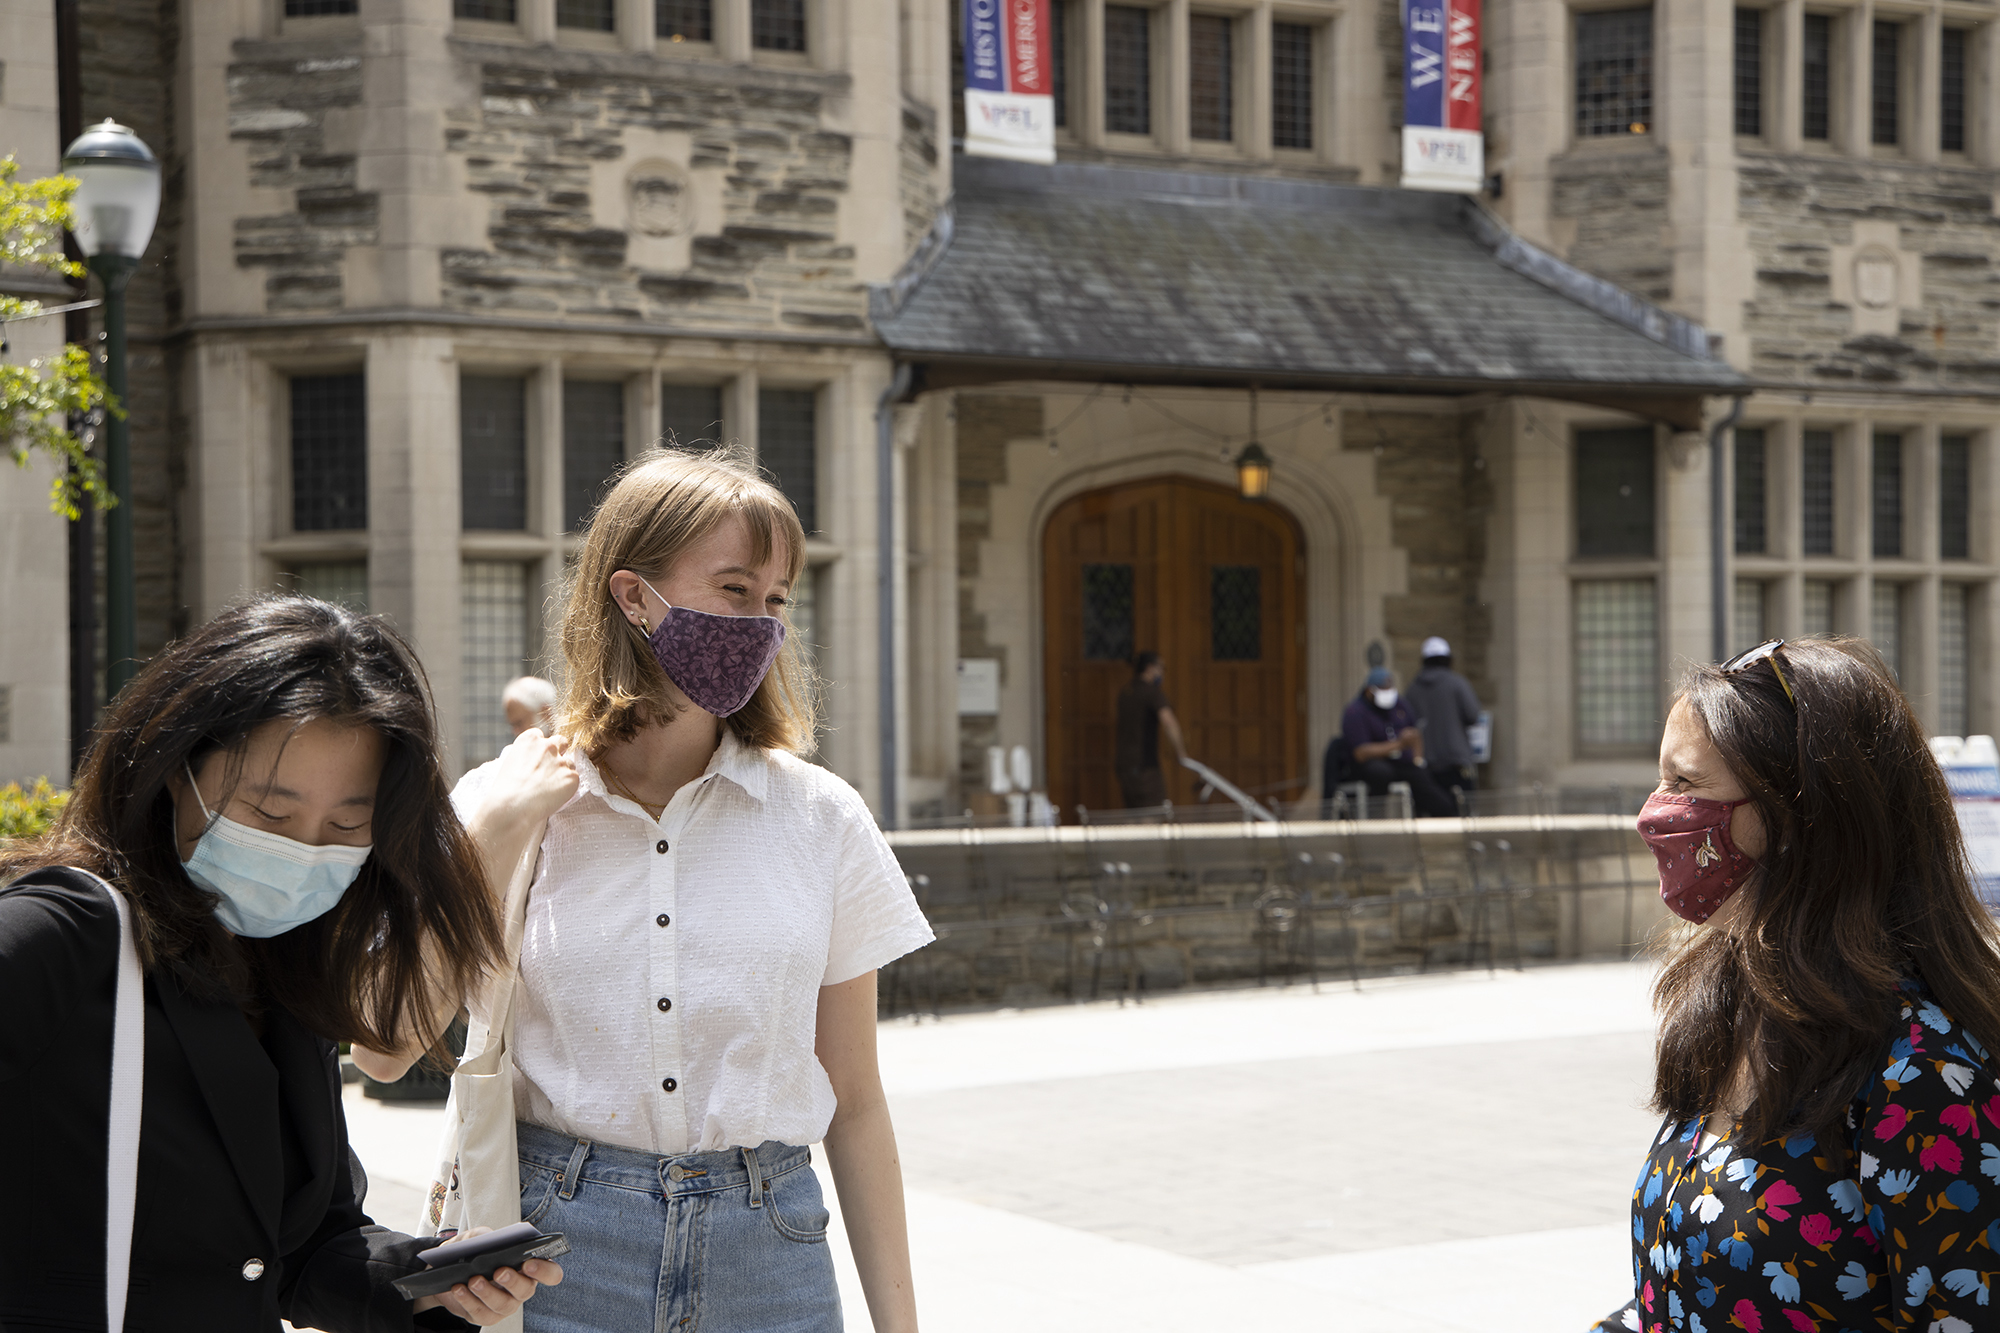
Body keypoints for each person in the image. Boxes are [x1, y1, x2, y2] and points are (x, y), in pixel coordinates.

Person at [356, 446, 934, 1333]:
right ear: (632, 596)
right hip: (554, 1248)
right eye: (734, 588)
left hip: (768, 1245)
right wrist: (495, 835)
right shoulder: (504, 801)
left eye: (777, 599)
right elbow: (383, 1047)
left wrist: (902, 1325)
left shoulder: (821, 817)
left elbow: (854, 1099)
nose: (761, 623)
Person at [0, 595, 563, 1332]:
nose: (304, 847)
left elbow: (298, 1248)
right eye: (270, 813)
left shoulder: (288, 968)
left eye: (345, 823)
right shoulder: (65, 932)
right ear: (177, 769)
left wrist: (426, 1281)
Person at [1597, 637, 2000, 1333]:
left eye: (1686, 783)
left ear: (1797, 817)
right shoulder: (1731, 1005)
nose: (1655, 812)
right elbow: (1677, 1290)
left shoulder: (1930, 1074)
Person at [1340, 667, 1455, 817]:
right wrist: (1399, 744)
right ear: (1369, 691)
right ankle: (1376, 819)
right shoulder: (1355, 712)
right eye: (1383, 689)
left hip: (1400, 762)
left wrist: (1418, 761)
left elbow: (1415, 735)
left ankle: (1447, 816)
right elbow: (1361, 753)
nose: (1388, 693)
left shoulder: (1400, 705)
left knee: (1422, 776)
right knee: (1381, 773)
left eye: (1390, 688)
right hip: (1369, 766)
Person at [1404, 636, 1482, 800]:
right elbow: (1473, 715)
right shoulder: (1457, 684)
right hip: (1456, 760)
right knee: (1462, 814)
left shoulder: (1412, 689)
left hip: (1426, 763)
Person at [1115, 650, 1188, 809]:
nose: (1162, 673)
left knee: (1133, 814)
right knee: (1151, 814)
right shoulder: (1152, 693)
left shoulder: (1126, 692)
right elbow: (1169, 722)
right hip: (1144, 767)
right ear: (1150, 668)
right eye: (1161, 668)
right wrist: (1181, 753)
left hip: (1125, 766)